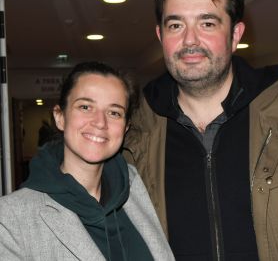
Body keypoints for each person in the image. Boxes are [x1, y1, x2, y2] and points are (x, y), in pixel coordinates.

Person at [123, 0, 278, 260]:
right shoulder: (133, 135)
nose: (190, 41)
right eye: (176, 25)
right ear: (160, 35)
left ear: (235, 35)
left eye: (207, 23)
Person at [0, 62, 175, 261]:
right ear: (60, 117)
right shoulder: (10, 218)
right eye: (85, 107)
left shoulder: (136, 187)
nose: (100, 122)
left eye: (114, 112)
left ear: (125, 128)